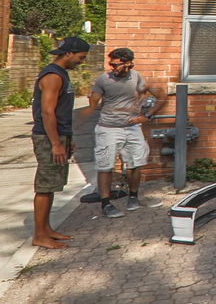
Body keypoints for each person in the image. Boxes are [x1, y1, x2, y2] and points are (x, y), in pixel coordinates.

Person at [86, 47, 164, 217]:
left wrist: (147, 116)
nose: (112, 68)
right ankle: (106, 204)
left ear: (128, 63)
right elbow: (93, 102)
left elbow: (161, 95)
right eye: (111, 64)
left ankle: (133, 197)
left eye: (116, 65)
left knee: (136, 163)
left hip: (132, 128)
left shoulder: (137, 77)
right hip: (108, 128)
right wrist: (92, 99)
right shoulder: (103, 79)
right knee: (105, 165)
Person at [31, 35, 89, 249]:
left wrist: (68, 138)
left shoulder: (61, 74)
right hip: (47, 137)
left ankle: (46, 229)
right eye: (81, 57)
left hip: (59, 135)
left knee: (53, 185)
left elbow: (62, 112)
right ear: (69, 53)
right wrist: (55, 143)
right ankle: (39, 235)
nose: (81, 61)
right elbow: (48, 112)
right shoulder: (53, 76)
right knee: (45, 186)